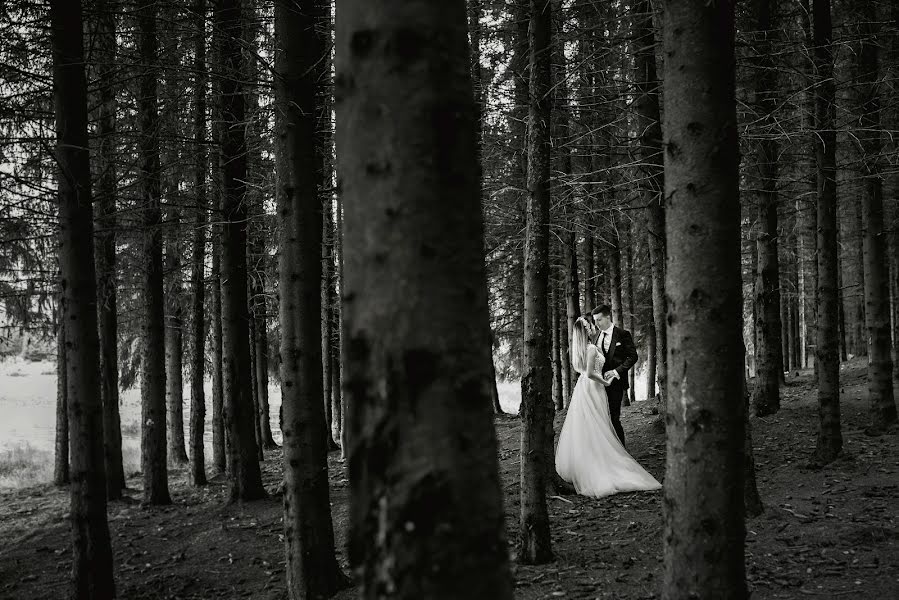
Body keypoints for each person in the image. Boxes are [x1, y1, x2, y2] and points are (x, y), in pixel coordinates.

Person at [554, 316, 661, 498]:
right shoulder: (590, 348)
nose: (591, 328)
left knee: (589, 425)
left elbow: (584, 372)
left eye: (591, 325)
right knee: (598, 424)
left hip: (583, 388)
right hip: (594, 387)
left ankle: (589, 460)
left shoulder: (578, 349)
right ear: (583, 331)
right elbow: (590, 373)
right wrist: (605, 381)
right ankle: (600, 462)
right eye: (588, 326)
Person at [591, 304, 637, 447]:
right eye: (595, 320)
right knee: (601, 418)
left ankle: (621, 451)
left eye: (599, 320)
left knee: (613, 417)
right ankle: (607, 450)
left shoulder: (623, 334)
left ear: (607, 317)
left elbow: (632, 357)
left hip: (616, 384)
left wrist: (617, 371)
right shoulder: (596, 336)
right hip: (598, 384)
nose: (597, 323)